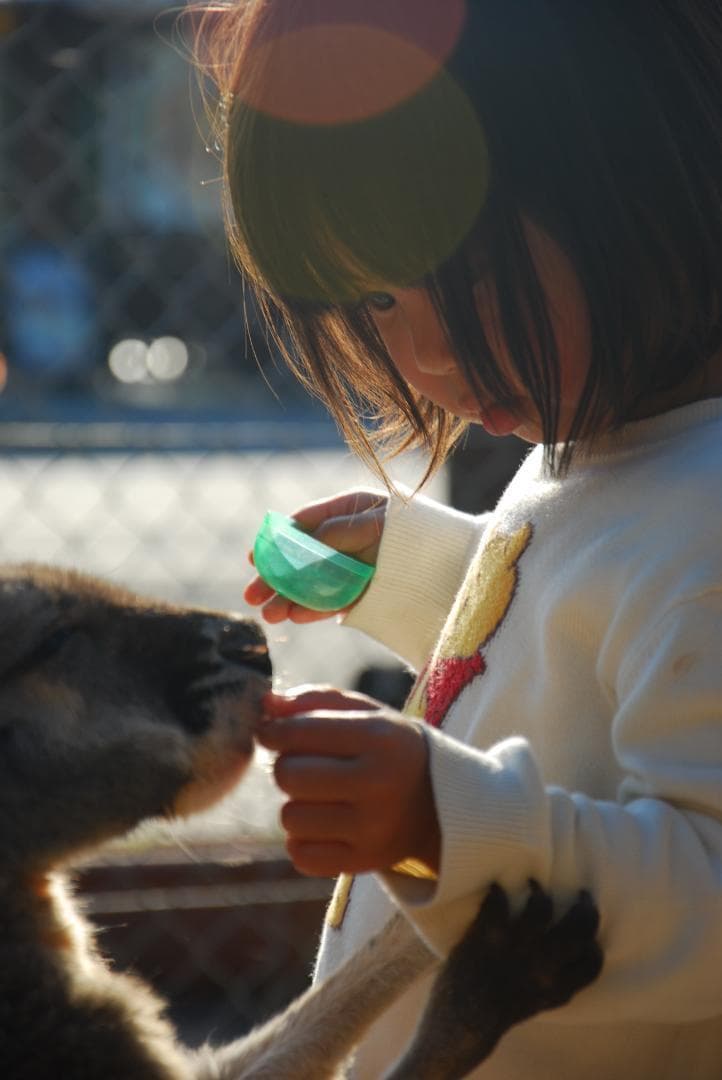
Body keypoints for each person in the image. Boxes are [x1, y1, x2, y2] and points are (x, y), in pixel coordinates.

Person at [194, 3, 722, 1076]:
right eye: (375, 297)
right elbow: (585, 652)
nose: (423, 354)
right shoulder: (613, 444)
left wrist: (446, 825)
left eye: (468, 276)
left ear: (651, 172)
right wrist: (423, 566)